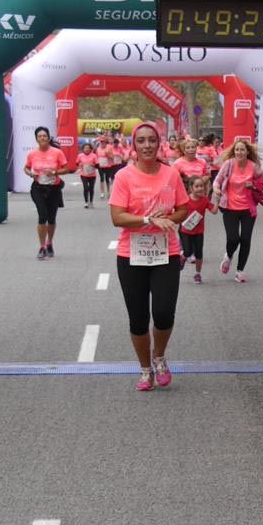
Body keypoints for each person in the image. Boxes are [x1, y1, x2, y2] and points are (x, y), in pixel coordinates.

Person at [109, 122, 189, 392]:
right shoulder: (123, 177)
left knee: (164, 312)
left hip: (166, 251)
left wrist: (170, 220)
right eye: (141, 140)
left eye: (151, 140)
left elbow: (183, 208)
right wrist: (147, 219)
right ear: (134, 145)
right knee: (138, 317)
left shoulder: (171, 175)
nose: (146, 145)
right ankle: (145, 369)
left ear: (159, 143)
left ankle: (160, 357)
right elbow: (117, 217)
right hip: (131, 254)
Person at [212, 139, 263, 284]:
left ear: (247, 152)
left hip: (247, 209)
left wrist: (254, 185)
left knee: (245, 240)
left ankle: (240, 271)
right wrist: (216, 189)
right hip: (230, 207)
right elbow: (217, 180)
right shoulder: (229, 164)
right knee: (233, 239)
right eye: (237, 150)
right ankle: (228, 255)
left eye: (242, 150)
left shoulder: (253, 167)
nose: (239, 152)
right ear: (234, 151)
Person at [24, 126, 68, 260]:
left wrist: (54, 172)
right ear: (36, 139)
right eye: (39, 136)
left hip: (53, 188)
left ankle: (50, 243)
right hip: (38, 187)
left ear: (48, 138)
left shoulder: (57, 153)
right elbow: (26, 167)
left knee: (52, 218)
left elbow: (66, 169)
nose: (42, 138)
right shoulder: (32, 154)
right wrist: (31, 173)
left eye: (44, 136)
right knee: (42, 216)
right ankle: (42, 247)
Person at [180, 175, 216, 284]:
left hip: (199, 232)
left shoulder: (204, 200)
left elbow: (214, 211)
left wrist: (217, 200)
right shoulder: (185, 199)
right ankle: (182, 258)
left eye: (201, 186)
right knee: (187, 251)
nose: (200, 188)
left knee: (199, 254)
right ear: (191, 188)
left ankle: (197, 274)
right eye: (197, 186)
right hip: (186, 231)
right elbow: (178, 211)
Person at [76, 143, 99, 209]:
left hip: (92, 175)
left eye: (88, 148)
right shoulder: (80, 156)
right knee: (86, 188)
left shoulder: (94, 156)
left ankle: (91, 202)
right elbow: (77, 163)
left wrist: (93, 165)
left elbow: (98, 165)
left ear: (90, 149)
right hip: (84, 174)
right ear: (83, 149)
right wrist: (79, 165)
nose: (87, 149)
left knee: (91, 189)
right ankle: (86, 202)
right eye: (85, 148)